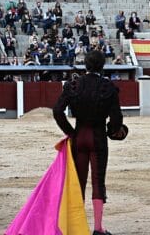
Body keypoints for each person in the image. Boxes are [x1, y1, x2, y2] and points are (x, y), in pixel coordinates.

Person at [52, 50, 127, 235]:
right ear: (102, 66)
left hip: (79, 136)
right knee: (97, 181)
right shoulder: (107, 87)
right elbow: (117, 118)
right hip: (98, 137)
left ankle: (77, 227)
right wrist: (113, 131)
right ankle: (98, 228)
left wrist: (70, 133)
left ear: (85, 65)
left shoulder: (74, 84)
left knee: (78, 182)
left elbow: (57, 111)